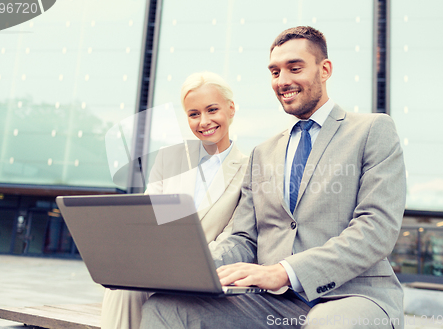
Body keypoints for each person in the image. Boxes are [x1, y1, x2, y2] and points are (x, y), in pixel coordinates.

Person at [140, 26, 407, 329]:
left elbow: (376, 230)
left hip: (353, 297)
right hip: (273, 302)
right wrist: (188, 264)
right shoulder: (262, 154)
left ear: (325, 69)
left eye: (295, 68)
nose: (283, 81)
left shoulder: (372, 131)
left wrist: (284, 271)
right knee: (164, 307)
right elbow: (243, 238)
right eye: (275, 72)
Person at [100, 71, 248, 329]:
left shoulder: (250, 169)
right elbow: (148, 221)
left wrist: (185, 265)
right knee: (122, 287)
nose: (204, 121)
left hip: (207, 273)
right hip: (156, 266)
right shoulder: (169, 159)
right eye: (193, 114)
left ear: (231, 109)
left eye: (212, 110)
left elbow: (235, 236)